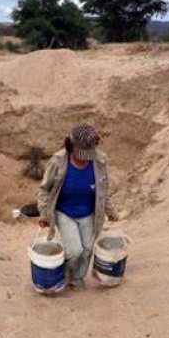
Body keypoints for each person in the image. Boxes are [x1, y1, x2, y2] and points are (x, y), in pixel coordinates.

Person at [37, 124, 119, 289]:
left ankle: (76, 278)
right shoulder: (58, 162)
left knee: (87, 249)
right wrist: (44, 214)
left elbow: (104, 190)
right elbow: (44, 190)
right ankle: (63, 274)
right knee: (75, 250)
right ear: (71, 146)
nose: (86, 158)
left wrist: (111, 211)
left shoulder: (100, 161)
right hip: (64, 212)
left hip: (89, 212)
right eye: (82, 155)